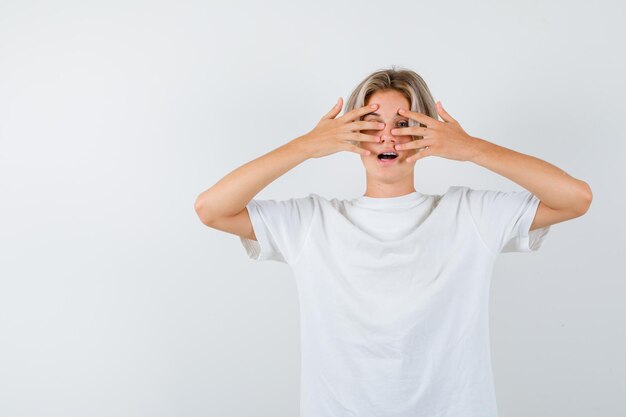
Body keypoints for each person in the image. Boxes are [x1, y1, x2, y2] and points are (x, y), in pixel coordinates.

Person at [194, 66, 593, 417]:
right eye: (370, 123)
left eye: (402, 124)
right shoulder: (312, 222)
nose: (386, 136)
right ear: (348, 134)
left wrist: (471, 149)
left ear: (426, 133)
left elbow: (575, 198)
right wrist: (304, 147)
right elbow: (211, 208)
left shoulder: (470, 214)